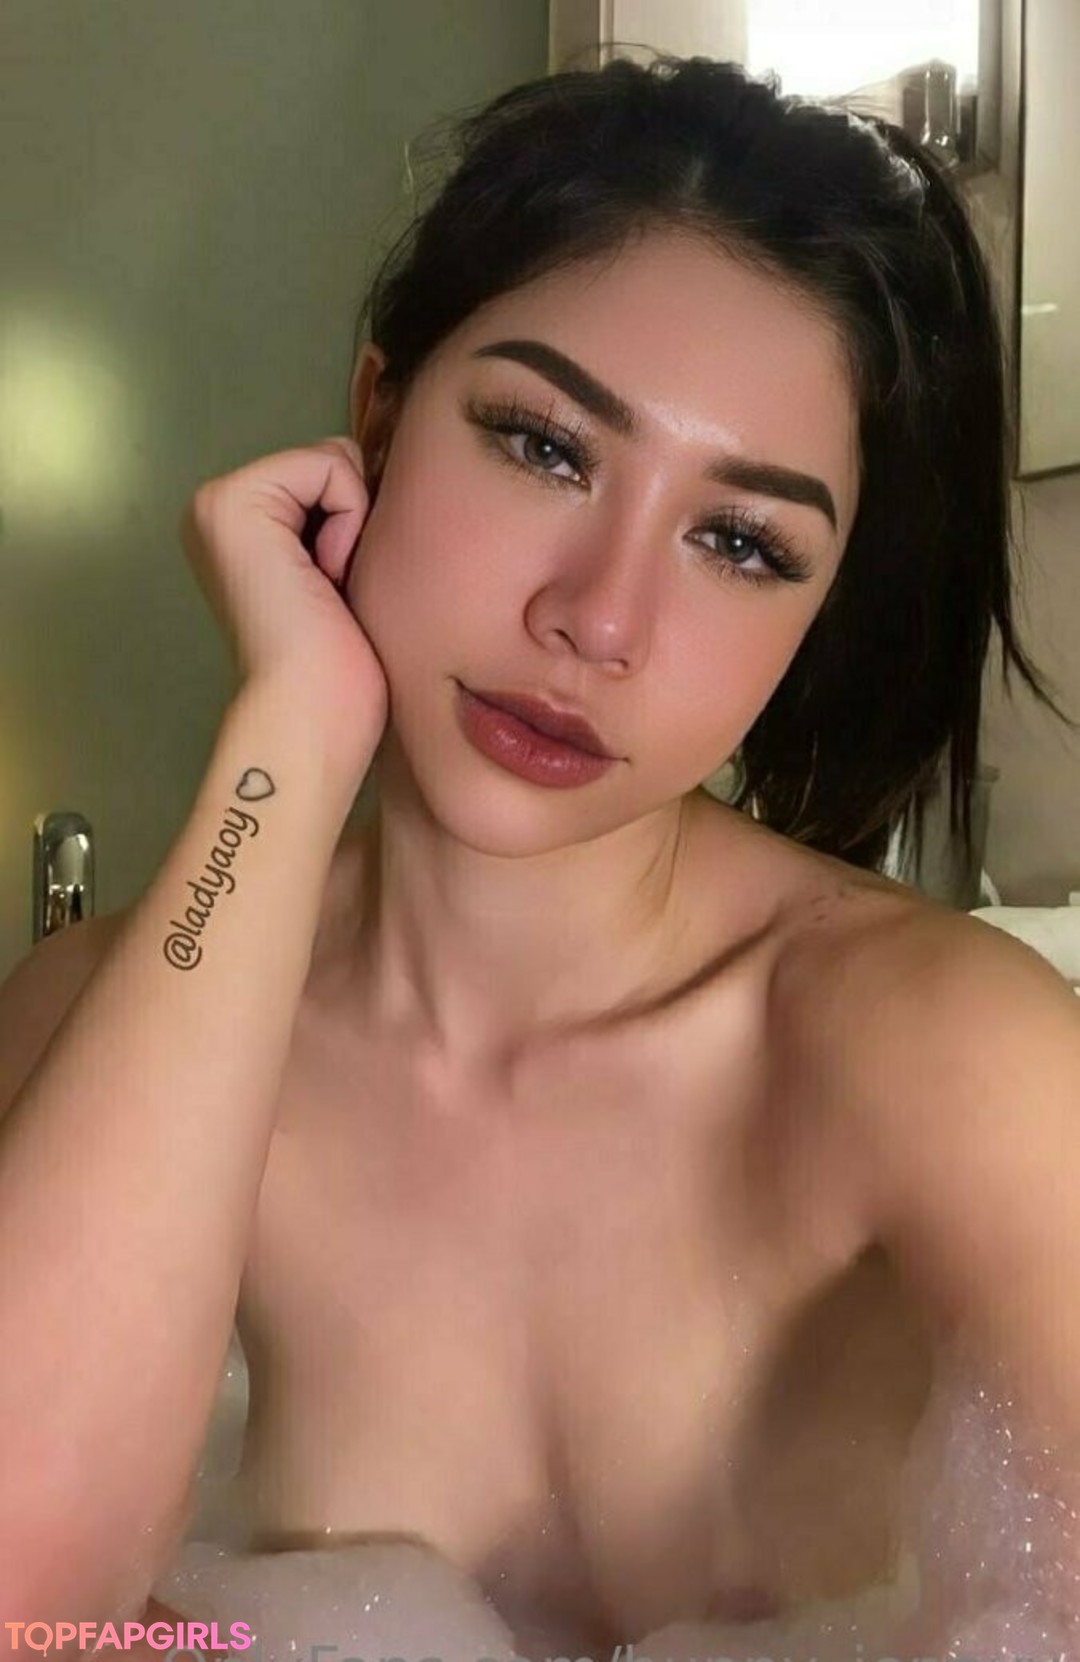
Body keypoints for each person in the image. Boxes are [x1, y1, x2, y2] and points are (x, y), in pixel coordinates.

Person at [0, 53, 1078, 1661]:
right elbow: (25, 1601)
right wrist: (290, 730)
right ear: (379, 415)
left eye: (741, 541)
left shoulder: (949, 1056)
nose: (601, 618)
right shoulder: (100, 1024)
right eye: (544, 446)